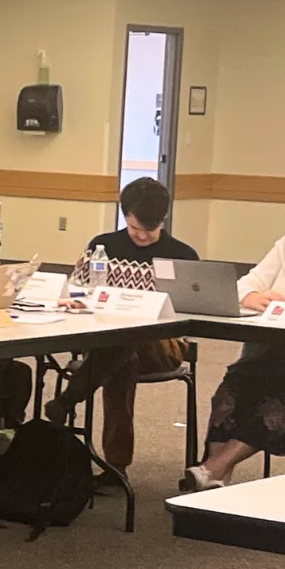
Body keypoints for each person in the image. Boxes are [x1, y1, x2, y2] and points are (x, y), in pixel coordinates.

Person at [183, 178, 285, 491]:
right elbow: (246, 284)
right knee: (233, 388)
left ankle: (214, 467)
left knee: (281, 404)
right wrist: (254, 298)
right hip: (269, 354)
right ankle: (215, 478)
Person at [43, 177, 196, 482]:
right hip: (107, 339)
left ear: (162, 221)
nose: (141, 236)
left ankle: (69, 398)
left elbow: (193, 313)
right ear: (125, 215)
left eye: (148, 231)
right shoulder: (104, 246)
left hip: (163, 344)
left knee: (127, 341)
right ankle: (117, 468)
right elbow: (76, 291)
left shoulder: (183, 255)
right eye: (135, 228)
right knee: (122, 355)